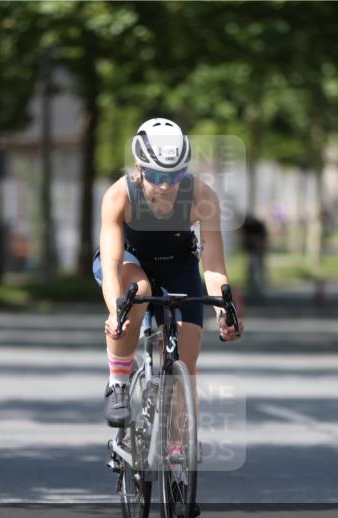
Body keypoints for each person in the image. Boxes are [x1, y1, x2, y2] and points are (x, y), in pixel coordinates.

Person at [94, 117, 242, 428]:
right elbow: (110, 263)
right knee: (141, 289)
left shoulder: (202, 196)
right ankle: (118, 383)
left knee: (185, 365)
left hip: (177, 263)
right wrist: (114, 312)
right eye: (156, 174)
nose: (165, 185)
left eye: (174, 176)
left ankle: (177, 454)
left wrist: (223, 312)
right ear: (139, 168)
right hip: (129, 261)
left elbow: (213, 266)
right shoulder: (119, 195)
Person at [241, 211, 268, 299]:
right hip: (252, 249)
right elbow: (245, 238)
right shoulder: (246, 226)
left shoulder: (258, 226)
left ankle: (260, 287)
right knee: (252, 268)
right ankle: (252, 287)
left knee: (259, 267)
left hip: (259, 249)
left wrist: (258, 245)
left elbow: (262, 239)